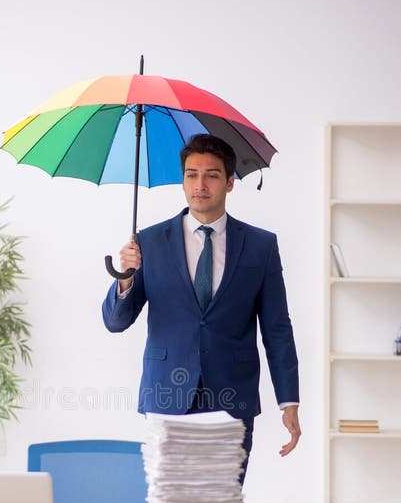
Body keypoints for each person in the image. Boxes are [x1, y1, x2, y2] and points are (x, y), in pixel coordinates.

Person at [101, 134, 300, 484]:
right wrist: (126, 278)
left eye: (211, 174)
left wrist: (289, 401)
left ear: (230, 182)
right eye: (191, 175)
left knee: (222, 502)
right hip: (166, 394)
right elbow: (116, 322)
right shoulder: (148, 241)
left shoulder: (260, 246)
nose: (200, 184)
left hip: (232, 396)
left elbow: (277, 330)